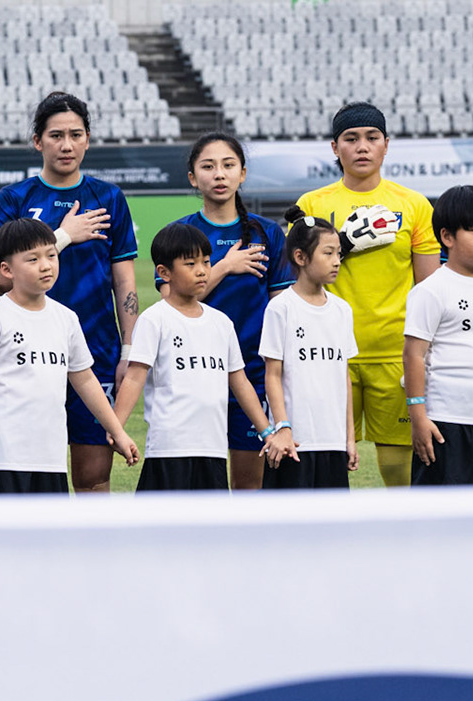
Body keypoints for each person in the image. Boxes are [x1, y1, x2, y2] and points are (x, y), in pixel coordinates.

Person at [0, 92, 139, 493]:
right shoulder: (14, 199)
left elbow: (124, 282)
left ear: (88, 139)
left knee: (94, 479)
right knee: (28, 473)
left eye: (76, 134)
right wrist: (62, 237)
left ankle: (94, 558)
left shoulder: (108, 199)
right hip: (26, 356)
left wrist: (128, 352)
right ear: (38, 141)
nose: (67, 145)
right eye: (56, 135)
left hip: (97, 353)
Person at [296, 102, 440, 487]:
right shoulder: (312, 205)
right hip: (329, 353)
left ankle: (407, 543)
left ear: (386, 145)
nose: (362, 147)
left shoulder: (414, 205)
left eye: (372, 138)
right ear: (334, 147)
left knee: (400, 467)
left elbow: (430, 289)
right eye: (351, 139)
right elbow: (297, 275)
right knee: (325, 460)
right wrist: (341, 242)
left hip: (396, 352)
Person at [0, 217, 137, 493]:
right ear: (6, 269)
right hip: (3, 459)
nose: (46, 265)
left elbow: (85, 380)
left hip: (51, 461)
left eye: (51, 255)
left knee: (49, 537)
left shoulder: (66, 319)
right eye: (32, 259)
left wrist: (117, 431)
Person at [112, 222, 271, 492]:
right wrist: (117, 429)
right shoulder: (155, 319)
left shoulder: (221, 322)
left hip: (213, 450)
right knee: (161, 531)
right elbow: (134, 378)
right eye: (190, 264)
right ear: (164, 272)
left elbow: (240, 382)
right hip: (169, 449)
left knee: (211, 532)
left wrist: (267, 431)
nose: (201, 271)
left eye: (206, 262)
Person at [174, 132, 289, 492]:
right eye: (208, 167)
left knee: (248, 485)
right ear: (193, 177)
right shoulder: (180, 233)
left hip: (253, 375)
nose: (219, 174)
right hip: (194, 374)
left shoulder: (267, 233)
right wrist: (224, 266)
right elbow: (171, 305)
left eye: (228, 165)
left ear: (242, 173)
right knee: (196, 486)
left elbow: (283, 309)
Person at [404, 186, 473, 486]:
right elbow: (413, 355)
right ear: (447, 237)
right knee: (444, 520)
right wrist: (418, 418)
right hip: (446, 422)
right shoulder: (430, 290)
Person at [259, 214, 359, 489]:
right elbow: (272, 375)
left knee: (332, 530)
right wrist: (283, 429)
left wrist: (348, 439)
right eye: (328, 253)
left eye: (338, 253)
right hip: (294, 443)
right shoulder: (281, 308)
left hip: (333, 443)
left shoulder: (342, 310)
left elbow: (343, 378)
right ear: (301, 257)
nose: (337, 261)